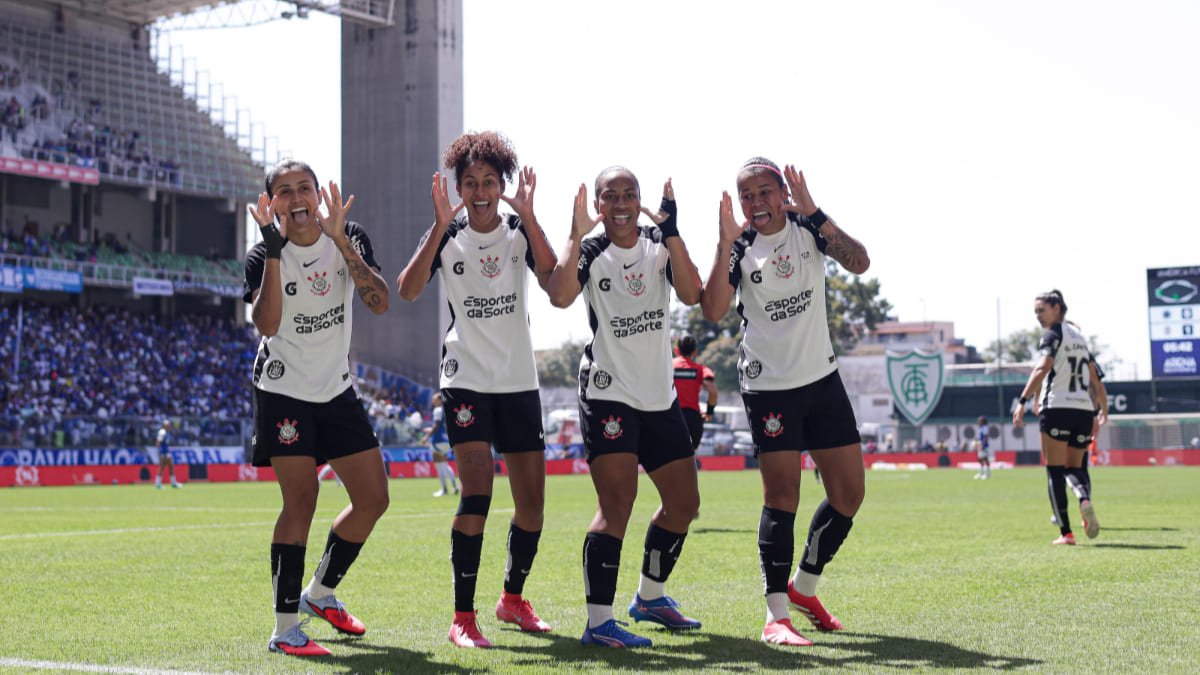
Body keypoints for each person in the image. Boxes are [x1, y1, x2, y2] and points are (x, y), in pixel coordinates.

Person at [396, 131, 558, 648]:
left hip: (517, 380)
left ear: (502, 185)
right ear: (458, 188)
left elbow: (555, 284)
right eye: (471, 183)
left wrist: (531, 216)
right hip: (465, 379)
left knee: (532, 503)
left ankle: (512, 599)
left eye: (490, 181)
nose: (481, 191)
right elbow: (407, 290)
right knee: (476, 495)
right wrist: (439, 225)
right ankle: (462, 617)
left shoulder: (518, 230)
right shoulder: (447, 234)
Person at [700, 158, 870, 647]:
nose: (756, 203)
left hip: (821, 378)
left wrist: (815, 211)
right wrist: (724, 242)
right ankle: (776, 615)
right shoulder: (739, 245)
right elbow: (712, 310)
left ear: (783, 193)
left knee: (849, 495)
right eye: (747, 195)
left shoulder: (808, 227)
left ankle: (804, 588)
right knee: (782, 497)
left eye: (764, 192)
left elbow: (859, 262)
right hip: (768, 386)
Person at [546, 168, 704, 648]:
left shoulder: (659, 242)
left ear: (639, 200)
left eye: (628, 194)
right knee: (616, 506)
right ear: (598, 204)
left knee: (684, 505)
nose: (620, 203)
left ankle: (650, 597)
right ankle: (598, 623)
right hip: (608, 391)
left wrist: (673, 230)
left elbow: (692, 294)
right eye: (610, 196)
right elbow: (559, 296)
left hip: (658, 396)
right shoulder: (591, 249)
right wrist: (574, 233)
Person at [244, 159, 392, 657]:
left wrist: (342, 241)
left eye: (303, 187)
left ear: (318, 194)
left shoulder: (347, 236)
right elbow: (267, 325)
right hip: (283, 390)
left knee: (373, 499)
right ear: (272, 204)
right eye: (284, 191)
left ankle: (320, 593)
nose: (296, 198)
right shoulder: (262, 254)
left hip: (335, 389)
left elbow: (380, 303)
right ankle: (285, 629)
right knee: (301, 501)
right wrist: (273, 249)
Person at [1013, 290, 1107, 546]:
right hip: (1083, 410)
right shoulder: (1079, 337)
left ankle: (1066, 533)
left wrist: (1022, 400)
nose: (1038, 316)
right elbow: (1095, 379)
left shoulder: (1052, 334)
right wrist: (1099, 410)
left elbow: (1043, 367)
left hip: (1057, 408)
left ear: (1057, 308)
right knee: (1074, 468)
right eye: (1036, 312)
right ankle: (1084, 499)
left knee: (1054, 471)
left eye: (1041, 310)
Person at [673, 334, 718, 451]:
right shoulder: (701, 369)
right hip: (692, 419)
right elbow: (713, 391)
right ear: (695, 352)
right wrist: (709, 411)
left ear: (676, 350)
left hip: (670, 416)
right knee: (688, 456)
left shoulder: (667, 367)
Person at [424, 392, 459, 497]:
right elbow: (440, 426)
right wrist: (430, 430)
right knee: (445, 464)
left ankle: (444, 489)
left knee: (439, 466)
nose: (433, 401)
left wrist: (427, 436)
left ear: (440, 400)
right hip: (445, 440)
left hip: (437, 441)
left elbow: (437, 425)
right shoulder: (445, 409)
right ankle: (454, 486)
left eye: (434, 399)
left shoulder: (437, 410)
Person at [151, 419, 181, 489]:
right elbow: (158, 442)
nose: (169, 426)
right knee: (161, 467)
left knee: (171, 467)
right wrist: (161, 452)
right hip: (163, 452)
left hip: (166, 452)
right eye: (167, 425)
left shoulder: (166, 432)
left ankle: (173, 483)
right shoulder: (162, 432)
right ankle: (158, 484)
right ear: (164, 425)